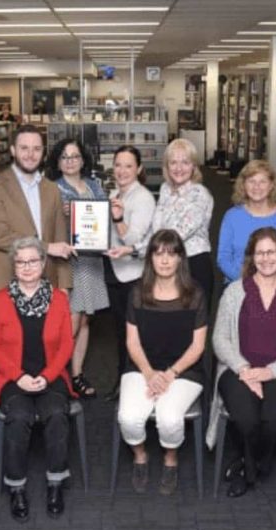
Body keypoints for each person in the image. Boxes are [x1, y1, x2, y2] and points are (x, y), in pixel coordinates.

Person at [208, 227, 276, 498]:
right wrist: (245, 370)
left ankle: (246, 466)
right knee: (246, 419)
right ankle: (255, 470)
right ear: (251, 257)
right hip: (238, 369)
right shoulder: (234, 291)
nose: (266, 258)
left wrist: (269, 372)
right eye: (260, 252)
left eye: (272, 252)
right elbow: (219, 340)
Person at [0, 237, 75, 523]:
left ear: (43, 263)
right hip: (12, 378)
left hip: (51, 375)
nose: (26, 267)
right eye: (21, 261)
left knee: (57, 413)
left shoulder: (59, 298)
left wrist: (47, 377)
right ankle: (16, 486)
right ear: (14, 265)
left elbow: (66, 346)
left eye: (33, 261)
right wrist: (19, 377)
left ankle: (55, 483)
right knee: (20, 415)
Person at [117, 229, 207, 495]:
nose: (165, 260)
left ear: (181, 258)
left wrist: (169, 374)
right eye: (158, 254)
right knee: (129, 418)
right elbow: (132, 343)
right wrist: (148, 373)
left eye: (171, 253)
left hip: (184, 371)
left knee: (169, 419)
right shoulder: (137, 292)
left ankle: (170, 458)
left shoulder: (195, 293)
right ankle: (140, 455)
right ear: (150, 259)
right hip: (141, 367)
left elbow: (198, 346)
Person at [47, 138, 109, 399]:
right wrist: (58, 214)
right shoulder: (52, 189)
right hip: (69, 262)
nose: (71, 161)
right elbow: (44, 227)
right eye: (65, 157)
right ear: (58, 162)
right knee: (70, 321)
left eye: (75, 156)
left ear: (83, 160)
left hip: (92, 260)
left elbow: (102, 220)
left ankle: (76, 374)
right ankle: (55, 374)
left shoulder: (95, 186)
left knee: (85, 320)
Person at [0, 124, 73, 292]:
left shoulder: (52, 188)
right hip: (8, 283)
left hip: (48, 283)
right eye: (24, 148)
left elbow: (60, 240)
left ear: (43, 152)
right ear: (13, 150)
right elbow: (0, 237)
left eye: (37, 149)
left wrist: (65, 286)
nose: (30, 155)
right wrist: (46, 247)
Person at [104, 145, 156, 400]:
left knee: (134, 333)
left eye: (128, 166)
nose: (122, 171)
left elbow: (133, 239)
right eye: (118, 165)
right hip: (115, 271)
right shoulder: (115, 193)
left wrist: (116, 219)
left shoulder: (143, 198)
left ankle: (132, 383)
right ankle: (124, 379)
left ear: (139, 169)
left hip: (132, 276)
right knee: (120, 330)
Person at [134, 139, 215, 302]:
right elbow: (157, 229)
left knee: (192, 323)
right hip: (165, 265)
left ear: (194, 166)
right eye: (173, 163)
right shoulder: (165, 190)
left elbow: (175, 235)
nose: (179, 168)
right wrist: (132, 249)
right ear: (166, 166)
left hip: (193, 267)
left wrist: (136, 249)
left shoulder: (200, 194)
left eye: (185, 162)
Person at [217, 160, 276, 284]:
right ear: (243, 185)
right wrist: (247, 283)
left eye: (262, 182)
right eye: (251, 181)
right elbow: (223, 258)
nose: (257, 187)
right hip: (238, 285)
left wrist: (271, 284)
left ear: (271, 185)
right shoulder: (232, 216)